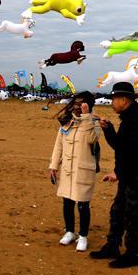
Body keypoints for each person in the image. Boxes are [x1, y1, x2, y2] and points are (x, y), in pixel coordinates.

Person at [91, 82, 138, 269]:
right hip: (129, 175)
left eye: (114, 99)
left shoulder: (136, 120)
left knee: (132, 217)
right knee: (117, 212)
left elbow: (130, 151)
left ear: (124, 100)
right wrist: (108, 128)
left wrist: (117, 172)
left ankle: (132, 255)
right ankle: (112, 246)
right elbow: (121, 147)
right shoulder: (129, 117)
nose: (112, 102)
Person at [49, 91, 100, 253]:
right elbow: (59, 145)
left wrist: (86, 116)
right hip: (67, 170)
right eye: (76, 103)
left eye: (82, 104)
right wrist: (53, 166)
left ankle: (83, 236)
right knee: (67, 202)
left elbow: (91, 139)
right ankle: (70, 231)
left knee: (83, 204)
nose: (78, 107)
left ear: (89, 105)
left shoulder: (94, 122)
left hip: (83, 170)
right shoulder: (66, 122)